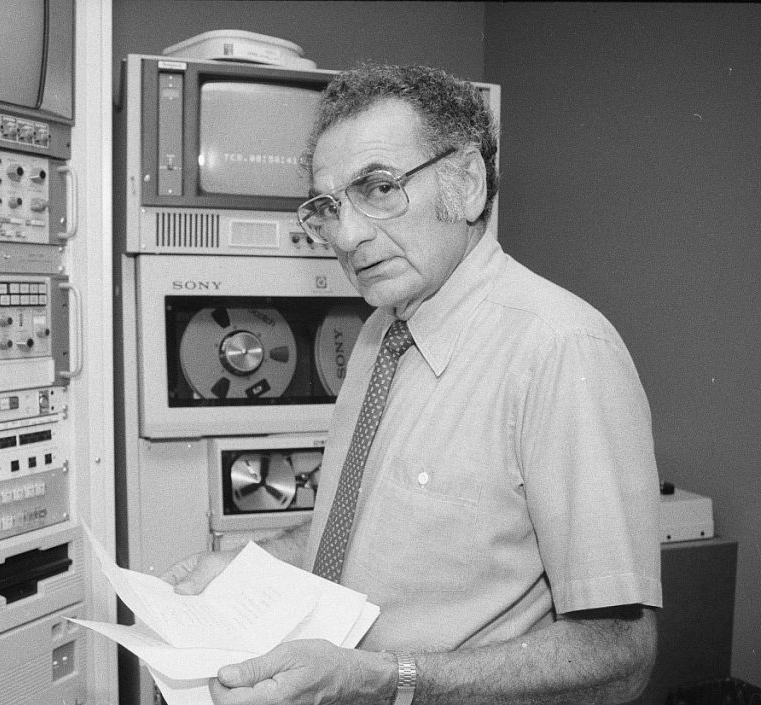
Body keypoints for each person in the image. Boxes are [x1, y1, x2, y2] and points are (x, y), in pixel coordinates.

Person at [162, 62, 661, 705]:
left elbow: (620, 652)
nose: (347, 235)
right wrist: (252, 567)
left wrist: (383, 679)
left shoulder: (561, 350)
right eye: (327, 208)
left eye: (377, 187)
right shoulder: (380, 333)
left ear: (468, 182)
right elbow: (367, 532)